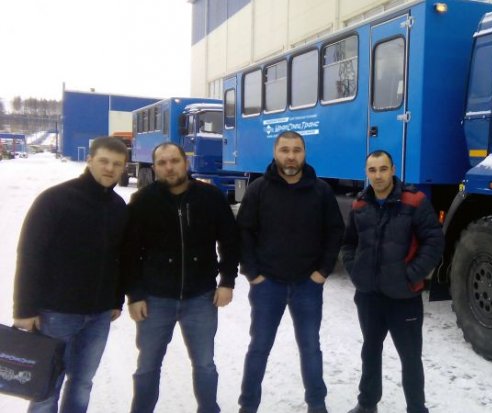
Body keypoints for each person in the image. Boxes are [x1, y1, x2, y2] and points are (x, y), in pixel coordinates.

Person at [12, 136, 129, 413]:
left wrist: (116, 300)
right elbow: (30, 254)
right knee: (46, 387)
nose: (109, 168)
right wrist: (24, 309)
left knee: (82, 383)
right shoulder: (55, 199)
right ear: (89, 160)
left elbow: (120, 258)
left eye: (117, 164)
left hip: (99, 315)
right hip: (56, 313)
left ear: (124, 167)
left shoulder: (118, 207)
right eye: (103, 161)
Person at [123, 142, 239, 413]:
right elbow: (129, 253)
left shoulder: (210, 197)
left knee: (205, 364)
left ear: (185, 163)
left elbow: (230, 241)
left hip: (201, 298)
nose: (169, 167)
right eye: (162, 163)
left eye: (174, 161)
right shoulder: (142, 202)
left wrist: (227, 281)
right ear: (154, 168)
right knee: (147, 366)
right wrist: (135, 295)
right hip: (155, 300)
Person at [236, 131, 344, 413]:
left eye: (297, 150)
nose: (291, 156)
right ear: (275, 153)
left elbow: (335, 232)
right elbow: (243, 232)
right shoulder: (258, 189)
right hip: (267, 285)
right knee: (259, 347)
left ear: (304, 153)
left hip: (307, 285)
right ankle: (248, 405)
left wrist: (323, 271)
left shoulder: (321, 191)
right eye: (285, 150)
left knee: (310, 347)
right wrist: (252, 273)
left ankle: (317, 404)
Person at [341, 150, 444, 413]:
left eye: (383, 169)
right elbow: (349, 243)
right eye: (372, 170)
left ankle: (416, 408)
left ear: (393, 170)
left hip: (404, 298)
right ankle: (367, 404)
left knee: (410, 358)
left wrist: (411, 276)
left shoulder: (414, 201)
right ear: (367, 173)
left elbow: (434, 242)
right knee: (370, 351)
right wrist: (356, 271)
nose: (378, 175)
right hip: (369, 297)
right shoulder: (360, 205)